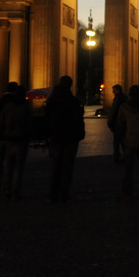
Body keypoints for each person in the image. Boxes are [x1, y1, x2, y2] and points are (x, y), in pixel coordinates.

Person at [45, 76, 84, 204]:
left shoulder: (52, 101)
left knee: (56, 167)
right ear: (70, 85)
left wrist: (47, 135)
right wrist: (80, 134)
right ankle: (64, 195)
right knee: (67, 168)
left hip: (56, 137)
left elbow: (47, 118)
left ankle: (52, 195)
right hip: (70, 138)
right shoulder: (72, 101)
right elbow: (78, 119)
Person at [0, 86, 31, 199]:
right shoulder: (26, 108)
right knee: (18, 167)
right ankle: (15, 191)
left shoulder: (7, 107)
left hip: (9, 139)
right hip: (21, 140)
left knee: (9, 166)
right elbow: (28, 124)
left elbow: (1, 122)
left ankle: (7, 189)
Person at [0, 85, 15, 193]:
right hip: (12, 137)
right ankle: (8, 186)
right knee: (10, 162)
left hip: (0, 137)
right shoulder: (16, 103)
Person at [106, 84, 127, 163]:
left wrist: (110, 123)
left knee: (116, 142)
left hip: (117, 124)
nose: (112, 92)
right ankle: (126, 156)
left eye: (113, 90)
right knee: (123, 142)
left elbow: (113, 111)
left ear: (118, 90)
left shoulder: (117, 99)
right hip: (123, 124)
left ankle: (116, 157)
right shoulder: (125, 98)